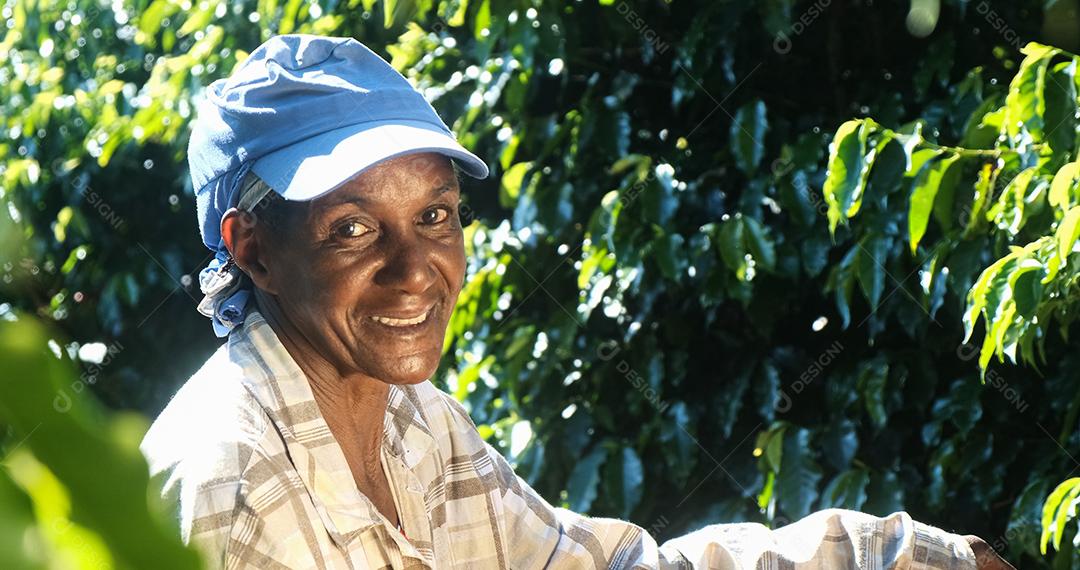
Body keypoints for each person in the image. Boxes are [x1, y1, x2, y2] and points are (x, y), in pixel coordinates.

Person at [139, 34, 1013, 569]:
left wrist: (895, 556)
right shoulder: (233, 482)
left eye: (436, 216)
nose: (417, 270)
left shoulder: (417, 425)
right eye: (352, 230)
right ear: (252, 250)